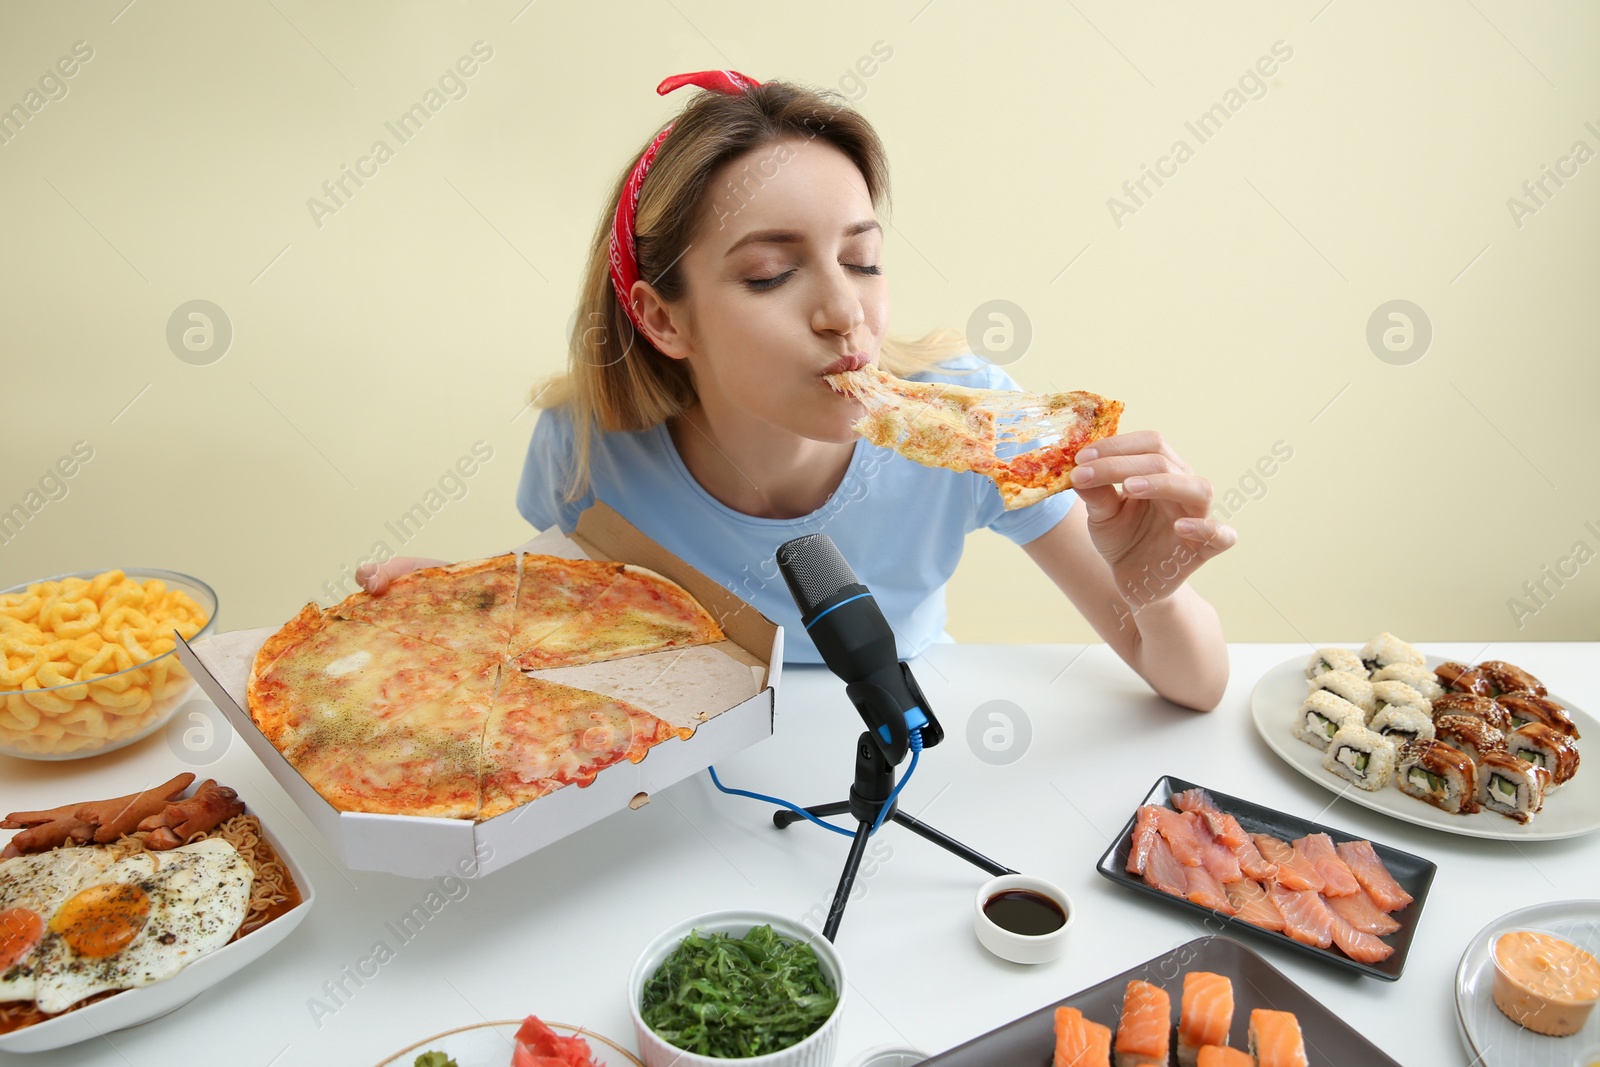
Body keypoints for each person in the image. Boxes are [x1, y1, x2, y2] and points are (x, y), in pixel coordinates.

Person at [358, 71, 1236, 711]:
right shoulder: (587, 447)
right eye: (772, 274)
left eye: (862, 259)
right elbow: (585, 634)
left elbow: (1193, 685)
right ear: (664, 321)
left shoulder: (978, 428)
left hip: (906, 734)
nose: (845, 310)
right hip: (686, 759)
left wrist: (1153, 585)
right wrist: (473, 600)